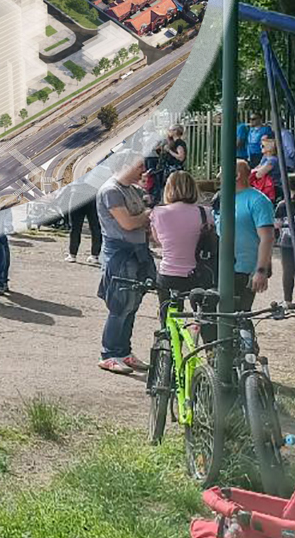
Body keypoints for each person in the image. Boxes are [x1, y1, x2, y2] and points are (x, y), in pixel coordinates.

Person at [97, 156, 153, 375]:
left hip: (137, 252)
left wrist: (143, 217)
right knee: (120, 305)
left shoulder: (131, 189)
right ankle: (109, 354)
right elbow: (128, 223)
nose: (143, 170)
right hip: (120, 253)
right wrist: (145, 215)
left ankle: (123, 351)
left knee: (132, 304)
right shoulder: (111, 191)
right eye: (139, 165)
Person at [219, 159, 278, 313]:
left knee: (239, 316)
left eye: (222, 171)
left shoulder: (258, 200)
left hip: (243, 270)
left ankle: (246, 337)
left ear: (237, 175)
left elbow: (267, 237)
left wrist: (261, 270)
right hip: (219, 268)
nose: (219, 176)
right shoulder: (221, 198)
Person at [149, 170, 211, 302]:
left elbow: (158, 240)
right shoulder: (205, 213)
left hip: (169, 272)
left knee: (168, 316)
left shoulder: (158, 212)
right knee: (202, 316)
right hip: (198, 273)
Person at [65, 188, 102, 264]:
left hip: (79, 193)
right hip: (89, 193)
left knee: (76, 227)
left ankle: (73, 254)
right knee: (94, 227)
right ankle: (94, 255)